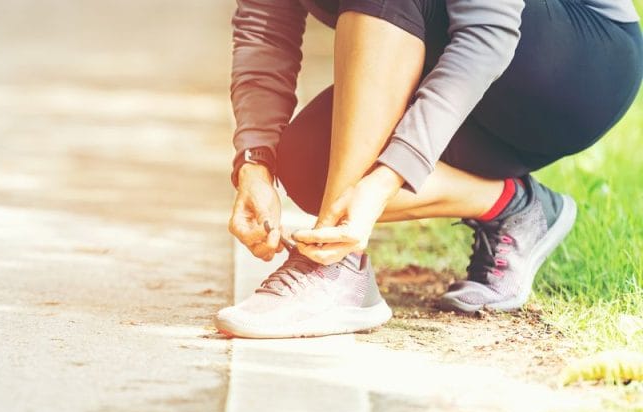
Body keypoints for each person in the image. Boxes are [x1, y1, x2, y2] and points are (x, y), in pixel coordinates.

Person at [216, 0, 643, 339]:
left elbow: (488, 33)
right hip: (471, 68)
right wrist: (255, 162)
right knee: (309, 163)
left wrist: (386, 177)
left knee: (347, 173)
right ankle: (514, 206)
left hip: (577, 68)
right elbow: (265, 23)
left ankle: (336, 267)